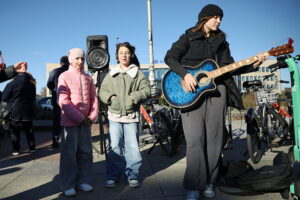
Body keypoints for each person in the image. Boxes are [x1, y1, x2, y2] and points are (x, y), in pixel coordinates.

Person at [164, 4, 269, 200]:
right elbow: (170, 58)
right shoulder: (188, 37)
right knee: (195, 141)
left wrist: (253, 65)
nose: (219, 21)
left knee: (214, 141)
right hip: (190, 95)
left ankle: (210, 182)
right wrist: (185, 75)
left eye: (220, 18)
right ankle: (193, 186)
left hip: (217, 92)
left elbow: (230, 68)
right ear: (204, 18)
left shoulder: (222, 42)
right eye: (215, 17)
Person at [100, 42, 150, 188]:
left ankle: (132, 174)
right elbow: (102, 91)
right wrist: (110, 98)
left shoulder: (138, 73)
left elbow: (146, 90)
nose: (124, 55)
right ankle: (113, 176)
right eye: (121, 52)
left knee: (133, 147)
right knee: (114, 147)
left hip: (131, 117)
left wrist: (134, 97)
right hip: (114, 117)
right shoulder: (111, 73)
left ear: (131, 55)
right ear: (117, 55)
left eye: (127, 52)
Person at [57, 48, 98, 197]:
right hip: (70, 123)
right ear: (70, 60)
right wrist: (80, 118)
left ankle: (84, 181)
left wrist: (92, 116)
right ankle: (68, 184)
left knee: (86, 152)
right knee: (69, 155)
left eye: (82, 58)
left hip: (85, 123)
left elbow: (94, 99)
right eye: (77, 58)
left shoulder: (88, 77)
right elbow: (63, 101)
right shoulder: (64, 76)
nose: (80, 61)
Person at [2, 62, 36, 155]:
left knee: (14, 131)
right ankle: (32, 148)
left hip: (14, 110)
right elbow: (33, 97)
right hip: (28, 109)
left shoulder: (11, 83)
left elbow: (4, 97)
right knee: (29, 130)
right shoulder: (31, 84)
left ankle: (16, 149)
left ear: (16, 71)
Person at [47, 56, 69, 147]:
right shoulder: (71, 71)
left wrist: (55, 90)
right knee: (69, 118)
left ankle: (55, 140)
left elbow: (49, 84)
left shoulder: (55, 71)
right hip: (69, 99)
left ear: (61, 63)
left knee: (56, 120)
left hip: (57, 98)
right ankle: (69, 140)